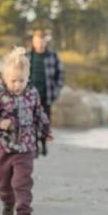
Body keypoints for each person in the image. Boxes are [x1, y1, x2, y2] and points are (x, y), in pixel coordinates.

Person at [0, 47, 52, 215]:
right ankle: (8, 202)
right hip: (5, 148)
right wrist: (0, 123)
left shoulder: (32, 94)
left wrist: (46, 130)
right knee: (2, 182)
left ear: (28, 78)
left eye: (22, 80)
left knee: (22, 183)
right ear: (4, 78)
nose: (17, 85)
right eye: (13, 81)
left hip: (26, 148)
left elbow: (39, 115)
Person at [28, 27, 64, 155]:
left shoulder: (52, 56)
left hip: (46, 95)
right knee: (30, 121)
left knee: (45, 121)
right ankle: (34, 145)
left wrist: (56, 91)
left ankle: (43, 142)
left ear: (45, 41)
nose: (39, 43)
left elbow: (60, 75)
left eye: (42, 40)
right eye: (37, 40)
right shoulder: (28, 55)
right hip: (30, 96)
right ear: (33, 41)